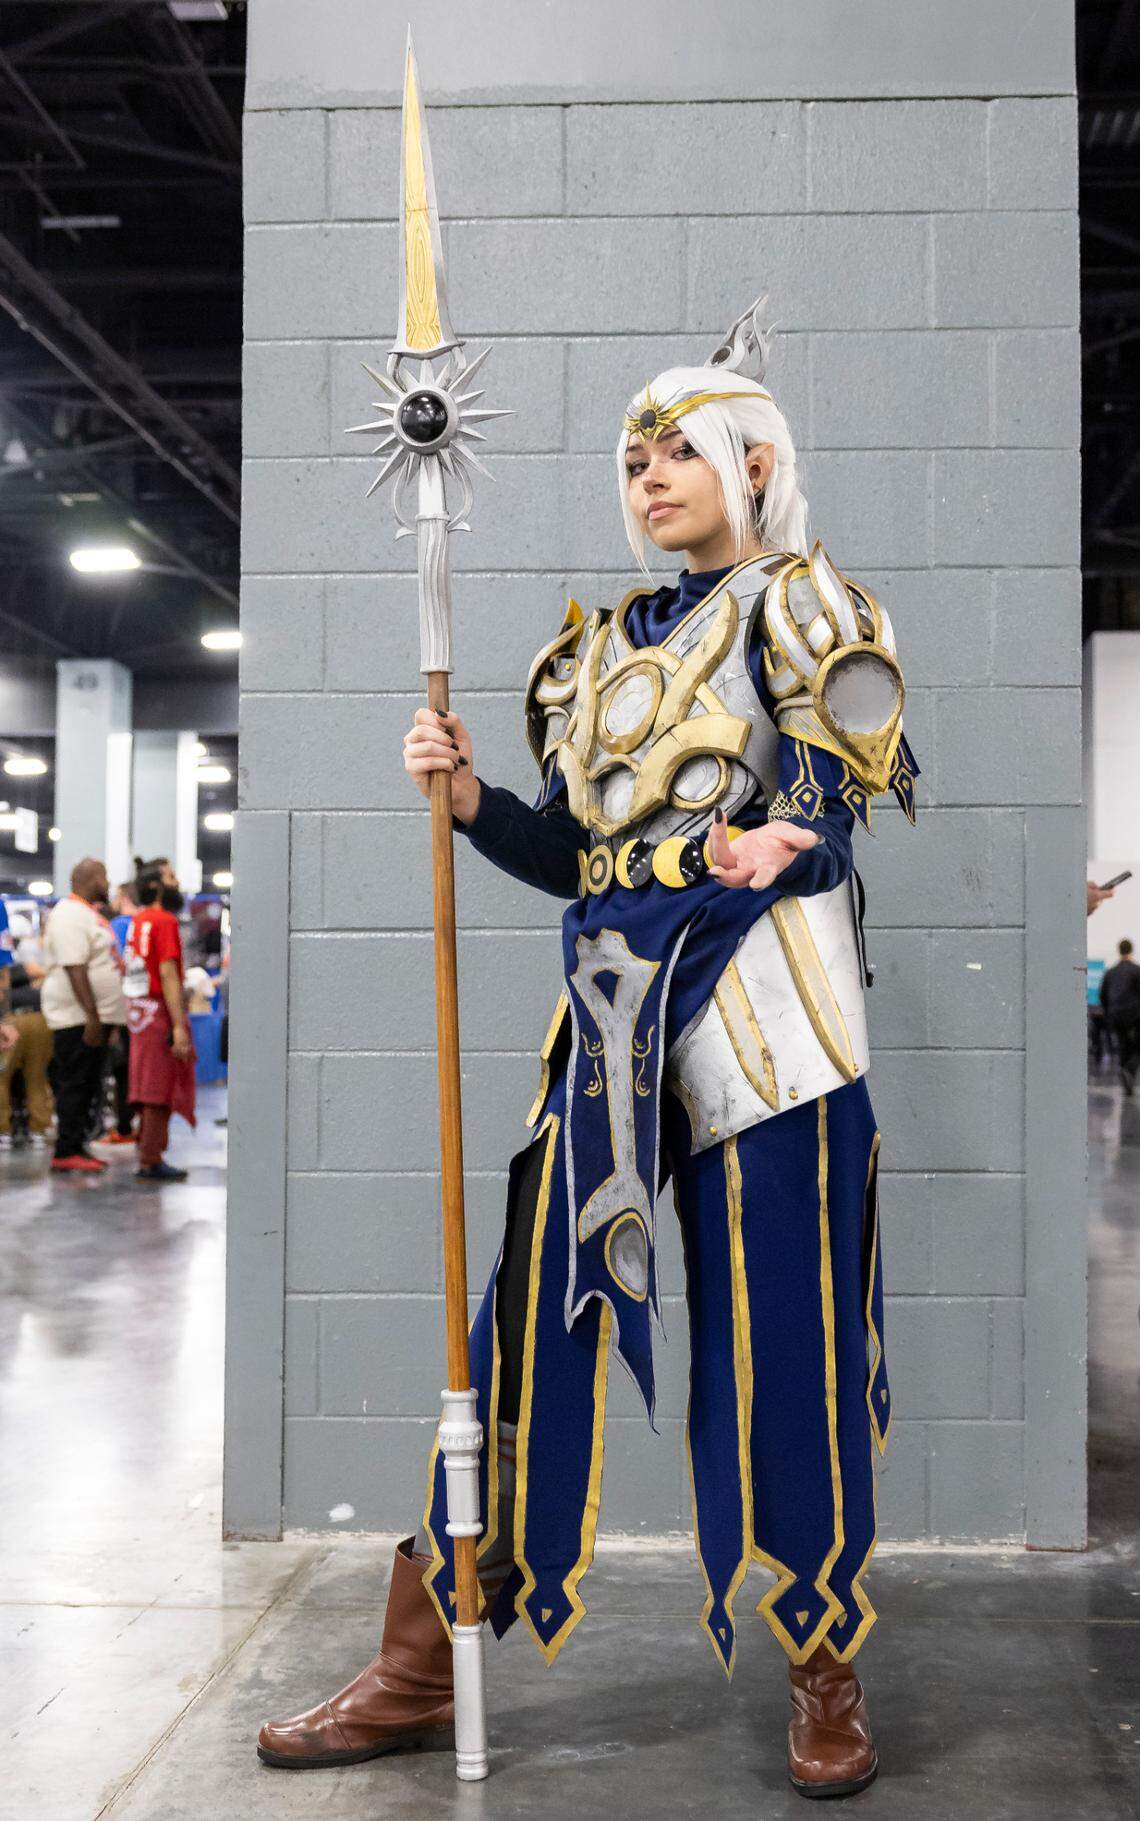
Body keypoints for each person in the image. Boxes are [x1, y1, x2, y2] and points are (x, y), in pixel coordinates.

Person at [258, 300, 919, 1798]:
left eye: (680, 448)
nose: (649, 474)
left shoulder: (802, 602)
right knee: (513, 1329)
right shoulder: (598, 648)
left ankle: (825, 1660)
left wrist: (782, 845)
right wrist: (477, 799)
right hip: (611, 1014)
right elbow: (575, 857)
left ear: (755, 464)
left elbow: (832, 801)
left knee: (788, 1343)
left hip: (768, 1015)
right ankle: (423, 1661)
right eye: (634, 456)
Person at [40, 858, 127, 1173]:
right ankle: (65, 1151)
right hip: (77, 1019)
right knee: (74, 1083)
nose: (107, 882)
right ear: (90, 879)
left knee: (88, 1084)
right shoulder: (68, 915)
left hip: (93, 1019)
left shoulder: (86, 913)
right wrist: (92, 1016)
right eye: (103, 876)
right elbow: (75, 967)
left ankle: (77, 1145)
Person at [125, 857, 195, 1182]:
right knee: (158, 1086)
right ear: (155, 885)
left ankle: (147, 1149)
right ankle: (151, 1158)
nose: (176, 882)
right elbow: (167, 972)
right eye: (170, 876)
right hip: (159, 1011)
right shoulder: (164, 921)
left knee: (143, 1081)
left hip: (139, 1010)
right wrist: (179, 1024)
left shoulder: (138, 921)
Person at [1099, 938, 1140, 1094]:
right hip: (1135, 1015)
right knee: (1137, 1047)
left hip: (1115, 1014)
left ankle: (1126, 1079)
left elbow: (1103, 995)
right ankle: (1129, 1069)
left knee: (1123, 1046)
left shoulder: (1110, 972)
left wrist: (1108, 1012)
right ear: (1131, 950)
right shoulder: (1137, 970)